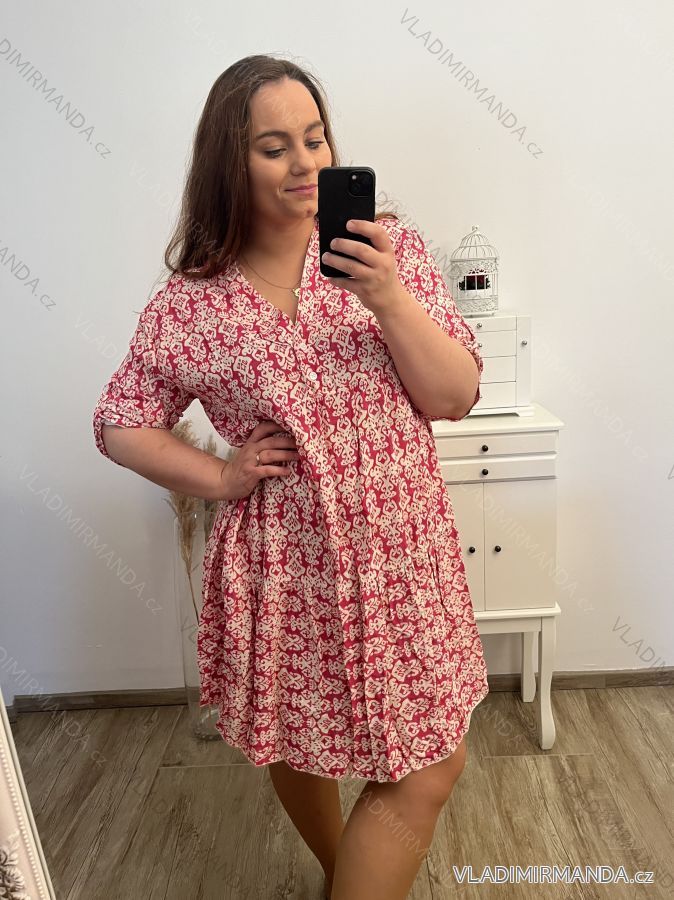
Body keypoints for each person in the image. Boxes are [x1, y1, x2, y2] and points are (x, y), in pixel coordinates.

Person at [92, 54, 489, 900]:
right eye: (275, 148)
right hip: (284, 564)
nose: (306, 162)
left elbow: (455, 396)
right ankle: (344, 875)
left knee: (430, 764)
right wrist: (220, 475)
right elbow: (120, 422)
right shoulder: (191, 304)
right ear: (228, 164)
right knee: (296, 741)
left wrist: (388, 298)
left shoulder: (386, 250)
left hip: (401, 554)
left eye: (315, 138)